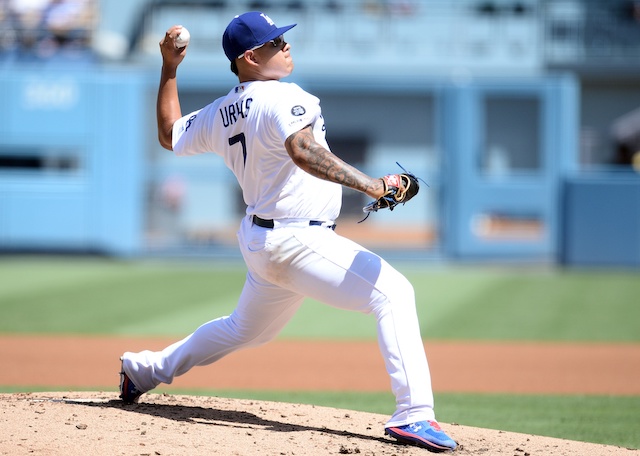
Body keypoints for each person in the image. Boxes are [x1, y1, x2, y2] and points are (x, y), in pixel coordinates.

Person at [119, 11, 457, 452]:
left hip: (264, 241)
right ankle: (414, 415)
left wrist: (169, 67)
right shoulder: (286, 97)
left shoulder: (223, 110)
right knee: (393, 293)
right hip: (298, 237)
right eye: (275, 42)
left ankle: (141, 370)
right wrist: (374, 185)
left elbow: (168, 134)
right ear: (250, 56)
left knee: (246, 329)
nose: (285, 46)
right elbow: (301, 148)